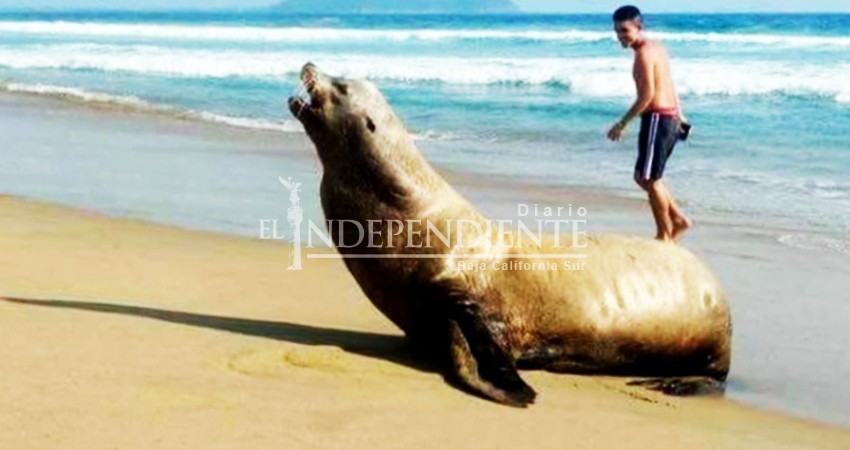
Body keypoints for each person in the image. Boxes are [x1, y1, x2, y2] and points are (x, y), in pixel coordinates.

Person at [607, 5, 692, 242]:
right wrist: (680, 114)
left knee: (649, 178)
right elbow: (669, 82)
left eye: (624, 30)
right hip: (668, 116)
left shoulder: (644, 54)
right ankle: (678, 219)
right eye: (616, 31)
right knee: (645, 176)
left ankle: (664, 233)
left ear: (638, 27)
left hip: (658, 118)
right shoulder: (657, 47)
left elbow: (647, 96)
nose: (620, 36)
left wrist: (621, 124)